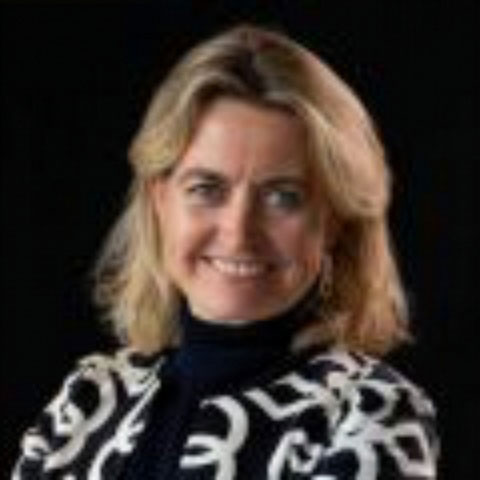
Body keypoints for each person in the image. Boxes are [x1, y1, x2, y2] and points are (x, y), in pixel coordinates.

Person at [12, 24, 439, 479]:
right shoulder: (90, 396)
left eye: (283, 196)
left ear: (333, 221)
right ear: (160, 200)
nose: (238, 233)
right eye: (206, 188)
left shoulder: (371, 411)